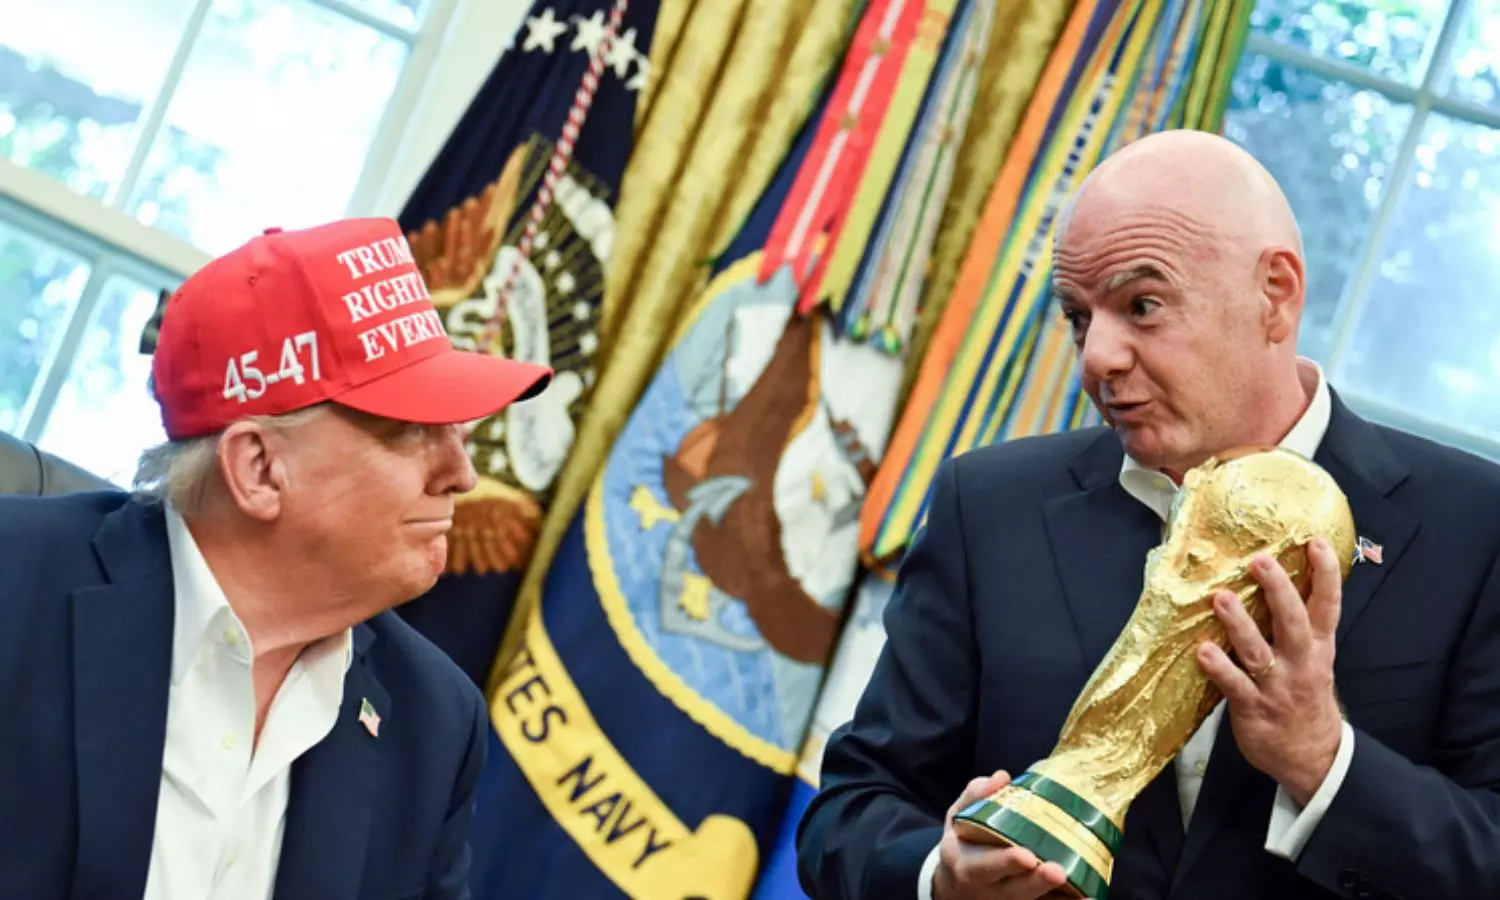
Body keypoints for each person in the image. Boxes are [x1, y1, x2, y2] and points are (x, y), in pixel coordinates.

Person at [795, 129, 1500, 900]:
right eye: (1077, 317)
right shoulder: (989, 505)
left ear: (1274, 294)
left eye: (1143, 305)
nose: (1097, 357)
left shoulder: (1475, 532)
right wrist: (940, 877)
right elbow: (850, 812)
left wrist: (1322, 761)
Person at [0, 217, 552, 900]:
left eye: (456, 433)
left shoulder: (434, 722)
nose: (461, 474)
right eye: (410, 431)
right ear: (259, 469)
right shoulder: (14, 585)